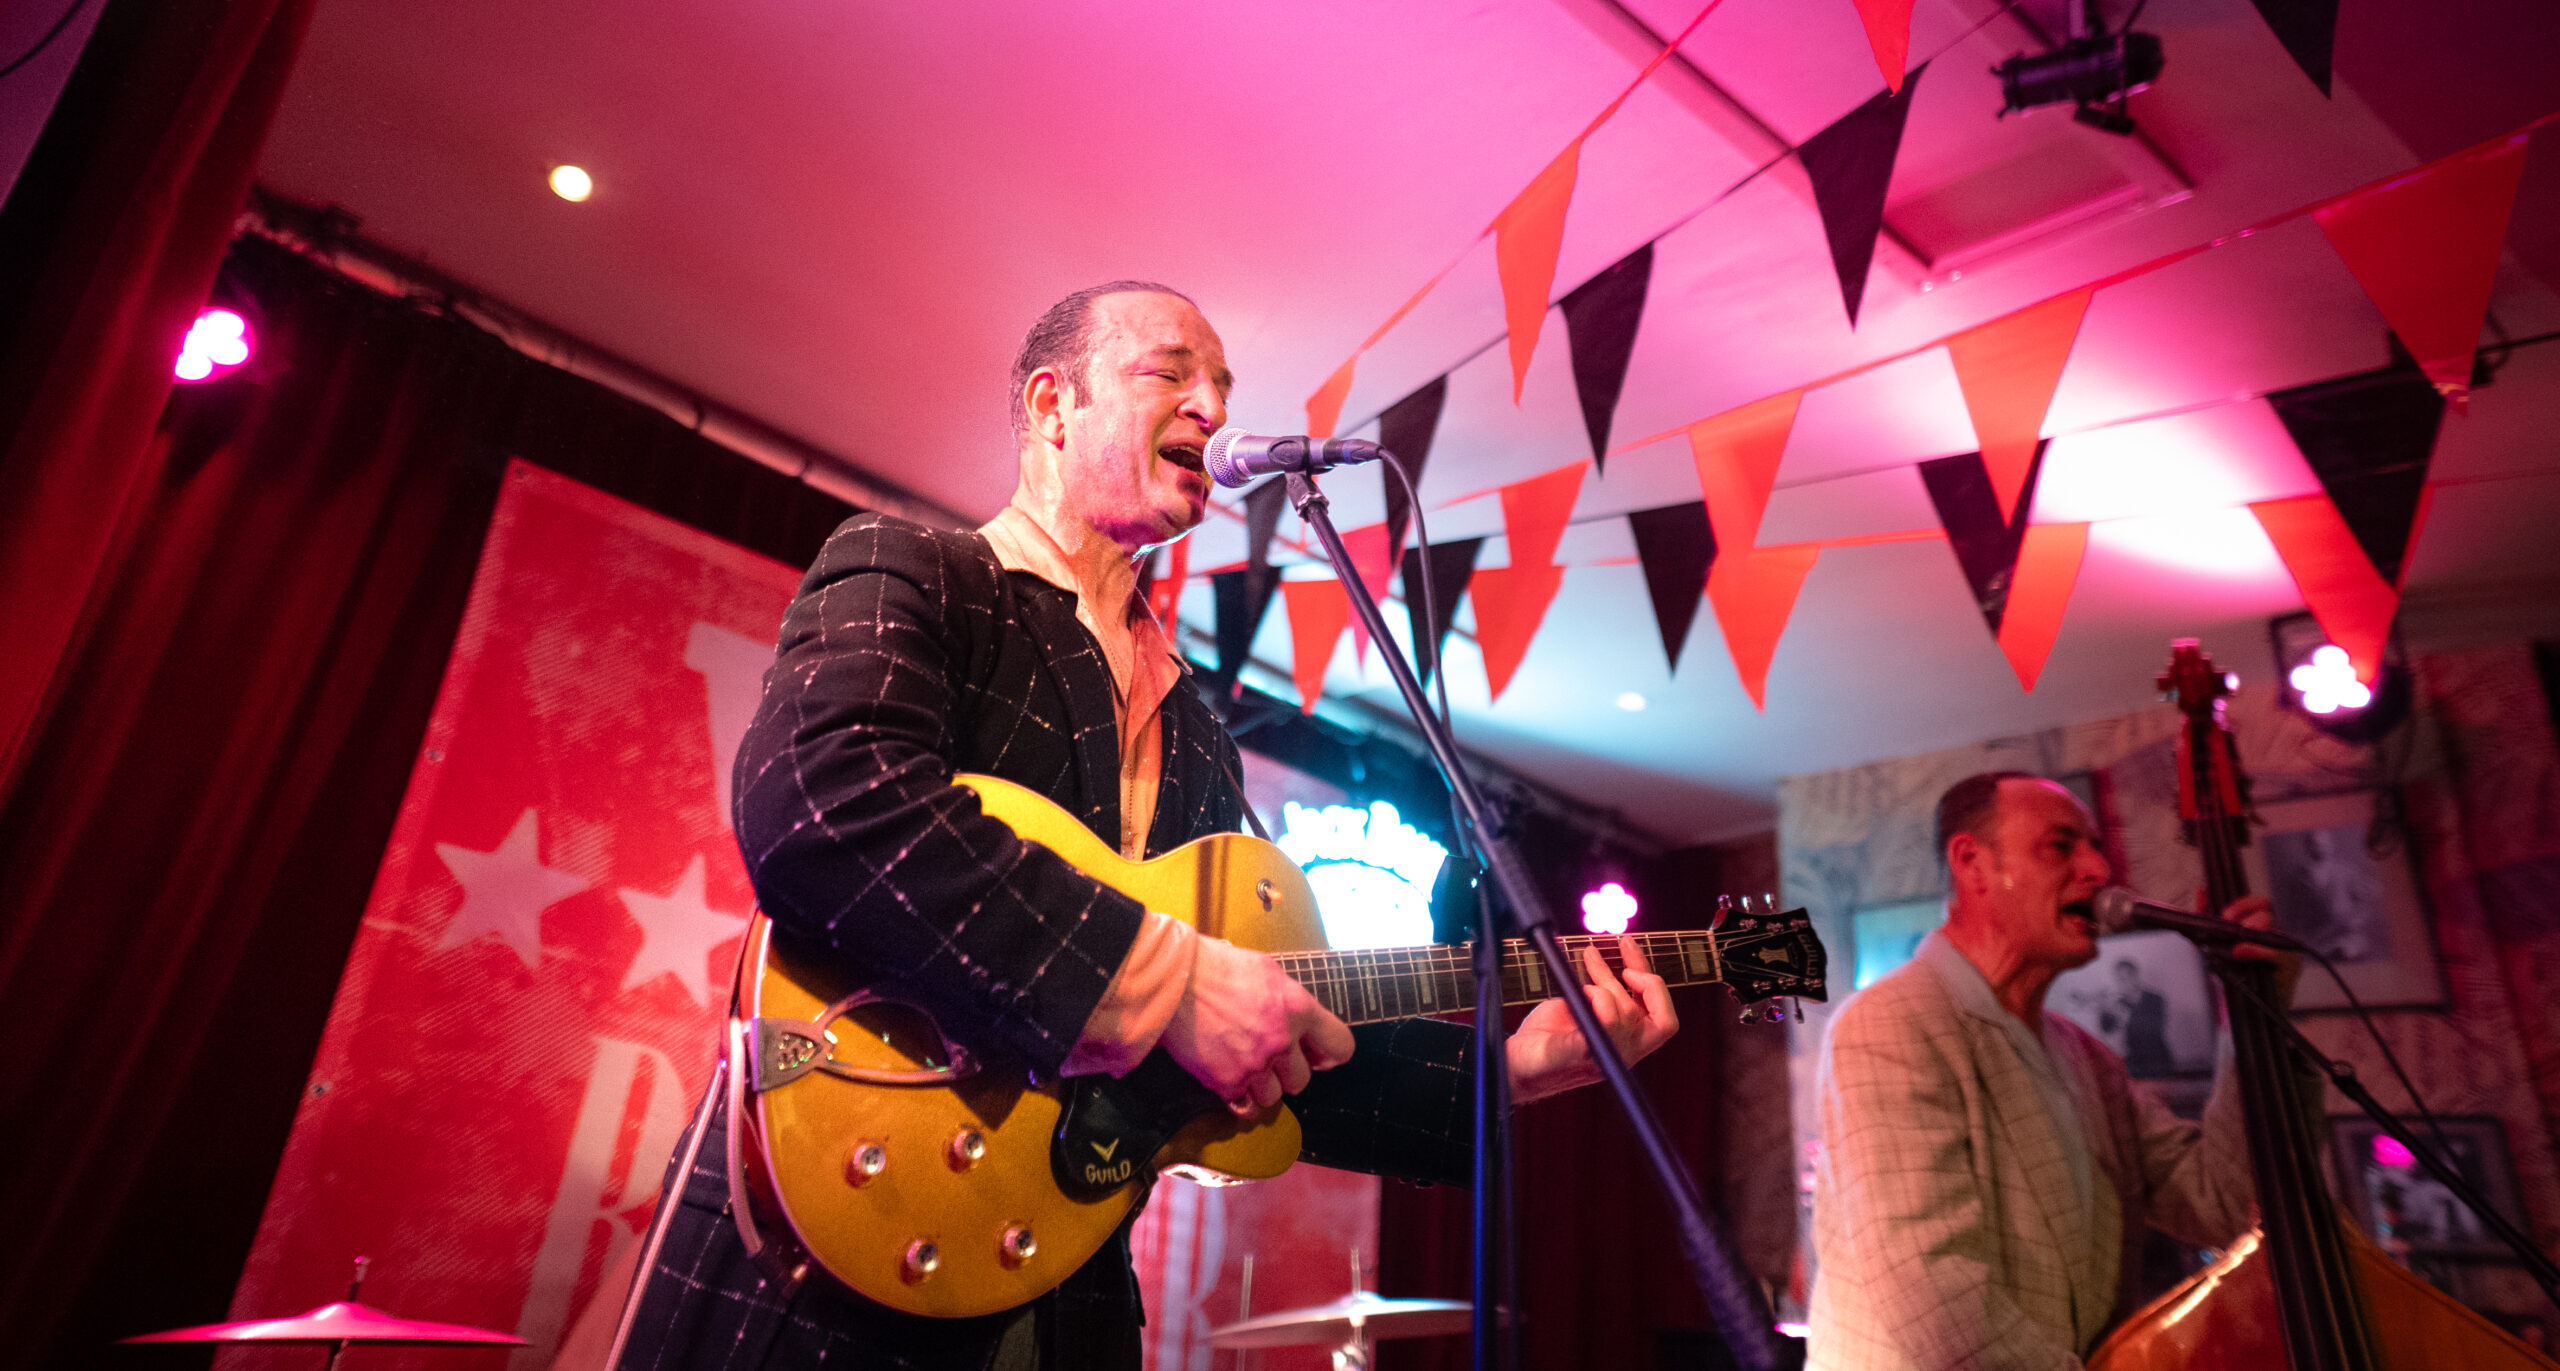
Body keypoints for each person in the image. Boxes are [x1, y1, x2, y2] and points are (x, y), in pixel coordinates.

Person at [614, 280, 1676, 1371]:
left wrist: (1505, 1070)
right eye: (1171, 373)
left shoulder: (1200, 736)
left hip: (1066, 1298)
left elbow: (1266, 1044)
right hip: (820, 1255)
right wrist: (1162, 981)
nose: (1213, 408)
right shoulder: (917, 572)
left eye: (1223, 388)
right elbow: (821, 800)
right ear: (1051, 404)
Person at [1805, 771, 2299, 1371]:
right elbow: (1938, 1302)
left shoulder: (2089, 1061)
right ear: (1972, 863)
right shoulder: (1890, 1023)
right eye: (2060, 846)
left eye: (2094, 848)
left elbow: (2220, 1203)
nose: (2098, 870)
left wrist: (2252, 1020)